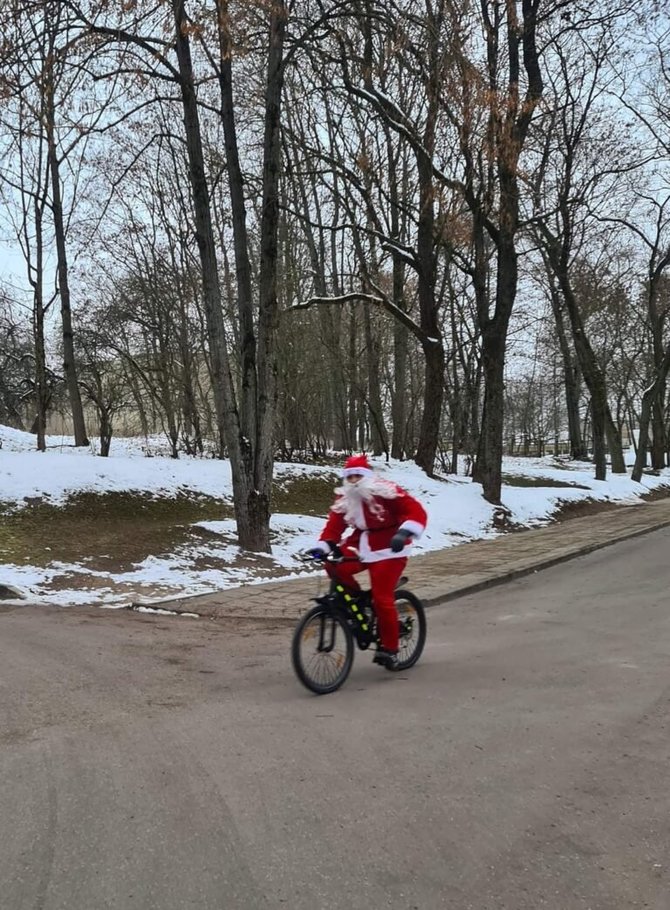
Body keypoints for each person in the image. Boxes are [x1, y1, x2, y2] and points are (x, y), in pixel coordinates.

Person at [307, 454, 427, 669]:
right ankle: (358, 603)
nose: (353, 481)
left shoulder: (386, 491)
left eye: (357, 476)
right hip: (361, 542)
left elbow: (414, 511)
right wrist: (323, 546)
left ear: (366, 477)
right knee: (334, 565)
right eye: (349, 477)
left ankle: (390, 649)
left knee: (382, 598)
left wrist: (404, 532)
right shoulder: (345, 498)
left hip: (390, 546)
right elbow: (334, 527)